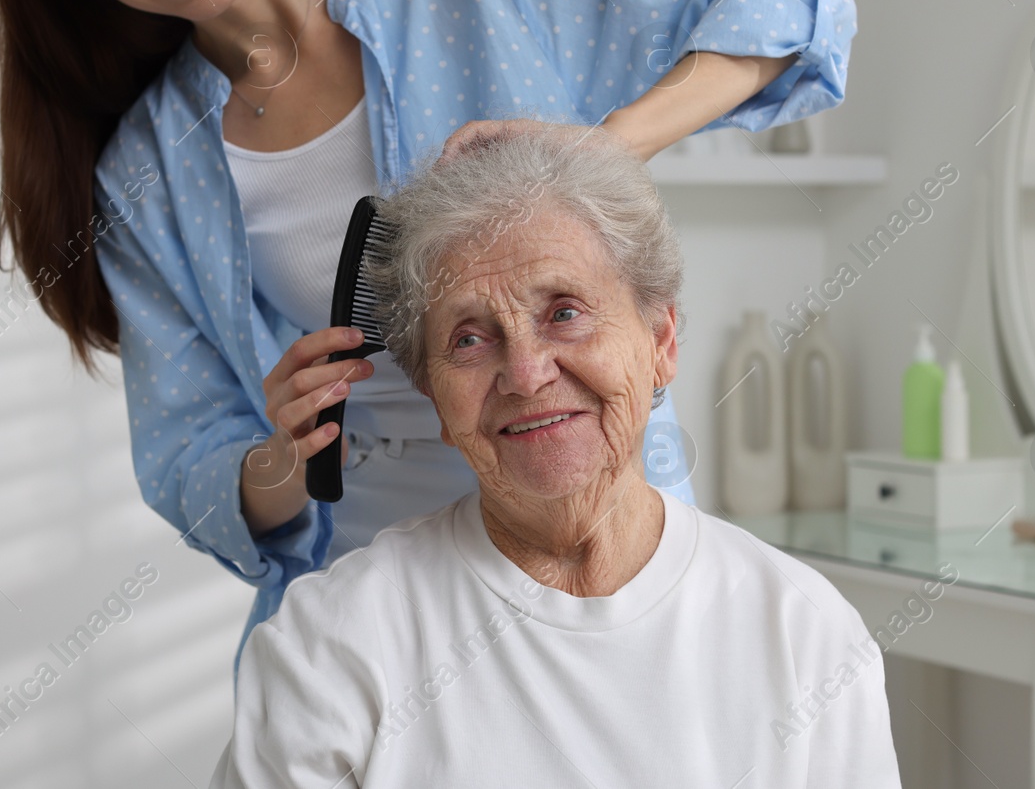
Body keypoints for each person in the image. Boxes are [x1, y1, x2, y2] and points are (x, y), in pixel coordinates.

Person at [0, 0, 859, 668]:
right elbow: (187, 461)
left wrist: (608, 146)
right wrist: (284, 450)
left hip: (598, 561)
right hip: (374, 611)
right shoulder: (146, 172)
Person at [209, 126, 901, 788]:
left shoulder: (805, 631)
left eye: (564, 311)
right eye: (470, 339)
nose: (527, 372)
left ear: (661, 343)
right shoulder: (331, 645)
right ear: (437, 402)